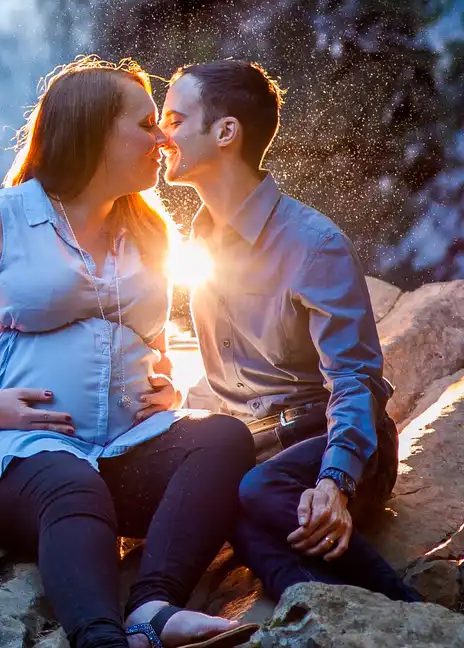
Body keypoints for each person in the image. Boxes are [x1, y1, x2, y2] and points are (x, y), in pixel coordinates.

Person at [0, 57, 257, 648]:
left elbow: (149, 334)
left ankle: (153, 609)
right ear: (93, 132)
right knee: (72, 485)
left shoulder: (150, 228)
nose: (164, 139)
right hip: (7, 452)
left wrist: (165, 378)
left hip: (121, 442)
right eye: (147, 124)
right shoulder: (6, 216)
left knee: (224, 439)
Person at [159, 59, 420, 603]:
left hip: (337, 444)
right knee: (241, 510)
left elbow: (356, 380)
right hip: (255, 448)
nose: (161, 137)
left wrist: (334, 482)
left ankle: (406, 609)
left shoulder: (311, 243)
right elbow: (223, 378)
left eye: (175, 120)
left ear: (226, 132)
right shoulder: (194, 241)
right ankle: (314, 614)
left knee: (258, 491)